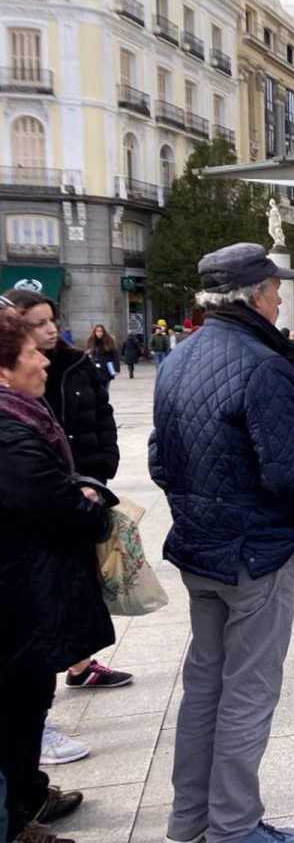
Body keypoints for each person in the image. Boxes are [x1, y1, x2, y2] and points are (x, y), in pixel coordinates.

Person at [149, 243, 294, 843]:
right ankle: (234, 829)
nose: (280, 300)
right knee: (248, 693)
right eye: (276, 290)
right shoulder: (264, 364)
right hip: (254, 554)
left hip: (199, 548)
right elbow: (282, 472)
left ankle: (190, 823)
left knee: (206, 687)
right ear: (255, 295)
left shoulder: (179, 357)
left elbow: (157, 459)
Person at [2, 290, 133, 767]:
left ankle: (28, 793)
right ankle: (22, 801)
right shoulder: (11, 425)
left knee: (32, 674)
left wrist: (99, 469)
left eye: (50, 323)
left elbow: (101, 417)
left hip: (76, 492)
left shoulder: (74, 369)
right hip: (32, 564)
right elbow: (48, 501)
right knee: (23, 683)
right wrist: (85, 502)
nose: (47, 343)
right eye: (35, 333)